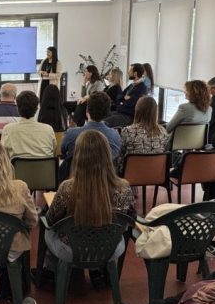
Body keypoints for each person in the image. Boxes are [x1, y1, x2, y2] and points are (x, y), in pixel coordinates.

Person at [44, 131, 134, 273]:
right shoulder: (124, 187)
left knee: (47, 230)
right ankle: (101, 273)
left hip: (72, 249)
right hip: (109, 248)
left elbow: (51, 220)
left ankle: (49, 273)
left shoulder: (67, 188)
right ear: (107, 155)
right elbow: (131, 217)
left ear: (78, 156)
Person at [59, 92, 121, 179]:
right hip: (105, 182)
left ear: (87, 111)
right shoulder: (115, 136)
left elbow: (63, 152)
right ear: (107, 113)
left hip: (77, 181)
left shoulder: (71, 134)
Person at [2, 90, 58, 160]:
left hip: (16, 167)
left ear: (18, 108)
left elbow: (4, 154)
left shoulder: (8, 129)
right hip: (45, 167)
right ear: (36, 109)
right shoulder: (48, 129)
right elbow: (54, 152)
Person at [119, 96, 168, 161]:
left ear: (137, 110)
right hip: (156, 167)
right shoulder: (163, 131)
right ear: (155, 112)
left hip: (133, 167)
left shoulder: (127, 131)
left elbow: (120, 154)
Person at [105, 64, 149, 128]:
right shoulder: (132, 85)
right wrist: (123, 98)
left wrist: (121, 102)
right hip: (120, 112)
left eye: (130, 70)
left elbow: (130, 103)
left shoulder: (142, 87)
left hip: (128, 116)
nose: (128, 72)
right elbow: (119, 97)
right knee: (100, 117)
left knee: (104, 122)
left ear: (135, 73)